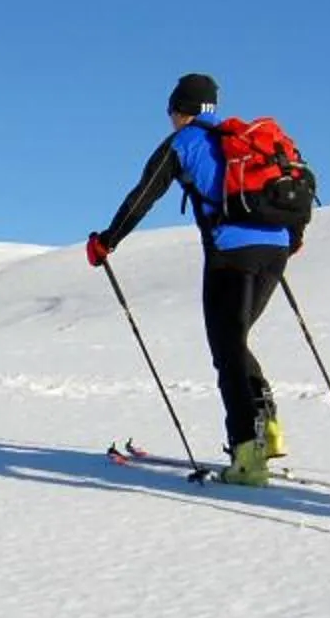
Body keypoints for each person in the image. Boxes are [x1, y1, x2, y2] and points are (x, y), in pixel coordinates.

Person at [86, 72, 299, 485]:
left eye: (170, 111)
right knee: (235, 342)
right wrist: (293, 239)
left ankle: (247, 456)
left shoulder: (181, 144)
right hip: (276, 249)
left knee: (226, 349)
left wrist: (107, 241)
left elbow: (142, 196)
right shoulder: (245, 139)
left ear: (179, 110)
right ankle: (266, 427)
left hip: (230, 255)